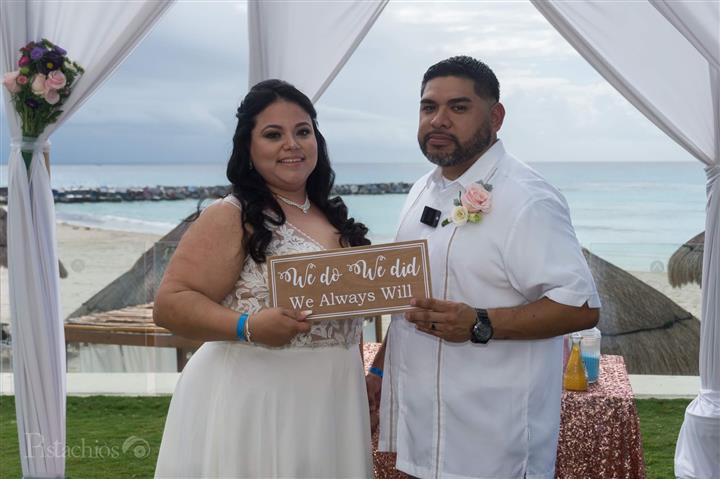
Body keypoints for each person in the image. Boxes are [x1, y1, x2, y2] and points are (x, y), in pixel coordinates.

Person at [366, 56, 601, 479]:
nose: (438, 120)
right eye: (428, 107)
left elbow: (580, 307)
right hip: (424, 429)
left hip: (494, 442)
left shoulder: (528, 199)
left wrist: (478, 322)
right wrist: (380, 368)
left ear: (495, 116)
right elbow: (412, 296)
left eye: (458, 108)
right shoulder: (423, 188)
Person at [154, 79, 373, 478]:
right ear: (249, 149)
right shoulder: (232, 214)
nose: (292, 144)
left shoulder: (331, 216)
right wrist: (249, 326)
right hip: (258, 401)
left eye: (302, 131)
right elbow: (170, 304)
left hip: (334, 400)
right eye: (274, 134)